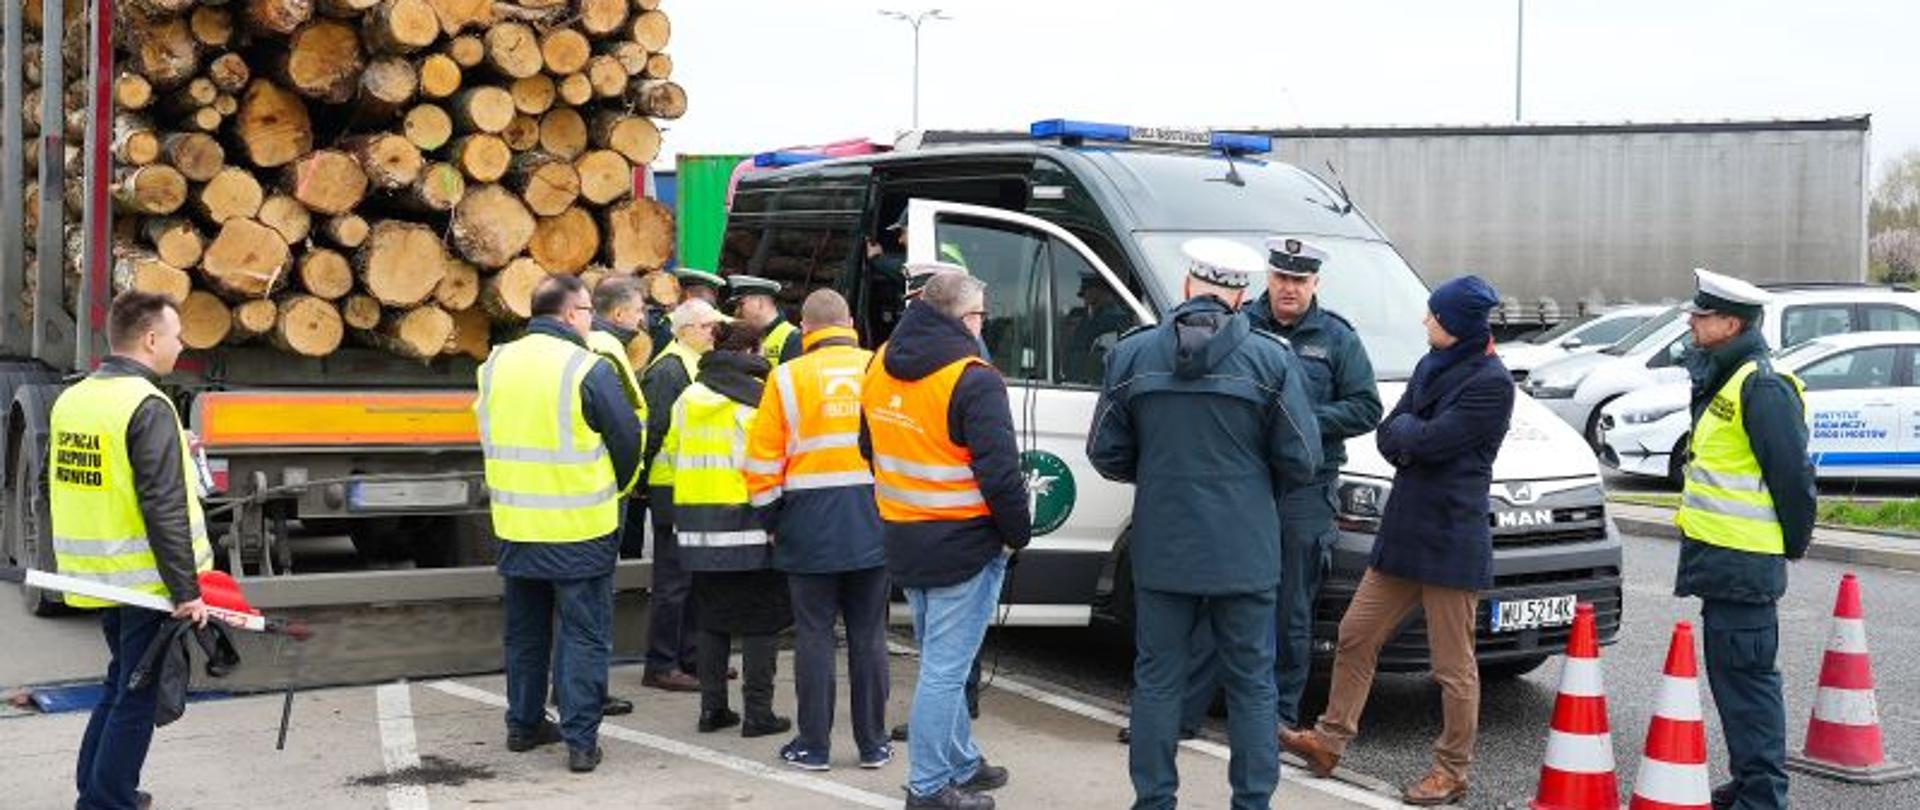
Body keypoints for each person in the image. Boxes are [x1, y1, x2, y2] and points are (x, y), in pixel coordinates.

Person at [1088, 238, 1322, 810]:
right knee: (1252, 684)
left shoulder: (1133, 354)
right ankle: (1251, 803)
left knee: (1158, 681)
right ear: (1242, 295)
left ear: (1189, 286)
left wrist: (1160, 471)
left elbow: (1104, 451)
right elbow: (1303, 459)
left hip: (1164, 545)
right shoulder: (1270, 359)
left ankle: (1154, 801)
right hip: (1245, 549)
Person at [1282, 275, 1514, 806]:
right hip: (1405, 532)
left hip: (1451, 539)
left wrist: (1413, 437)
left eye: (1434, 314)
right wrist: (1414, 438)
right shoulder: (1431, 363)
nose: (1425, 321)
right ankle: (1329, 740)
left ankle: (1451, 771)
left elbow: (1429, 439)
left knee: (1452, 667)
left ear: (1456, 324)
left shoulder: (1492, 382)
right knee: (1355, 634)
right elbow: (1390, 434)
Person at [862, 271, 1031, 810]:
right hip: (963, 542)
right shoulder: (973, 377)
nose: (983, 323)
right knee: (945, 669)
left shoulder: (881, 360)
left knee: (940, 660)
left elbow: (867, 444)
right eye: (980, 314)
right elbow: (1000, 475)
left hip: (904, 534)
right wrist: (1016, 535)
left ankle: (960, 762)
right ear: (965, 318)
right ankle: (930, 786)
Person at [51, 291, 213, 810]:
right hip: (145, 581)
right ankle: (106, 802)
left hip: (96, 573)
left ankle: (100, 788)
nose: (181, 343)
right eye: (176, 334)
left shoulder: (75, 398)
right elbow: (162, 507)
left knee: (120, 681)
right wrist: (187, 592)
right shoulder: (147, 405)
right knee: (137, 696)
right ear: (149, 339)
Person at [476, 275, 644, 774]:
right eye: (588, 310)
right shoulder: (585, 366)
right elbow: (627, 437)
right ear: (570, 314)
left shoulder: (495, 364)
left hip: (516, 524)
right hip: (579, 526)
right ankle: (580, 740)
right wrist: (615, 489)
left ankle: (523, 725)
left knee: (524, 632)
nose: (591, 319)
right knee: (584, 635)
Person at [1674, 269, 1812, 810]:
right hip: (1723, 562)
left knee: (1749, 689)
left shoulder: (1761, 385)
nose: (1691, 321)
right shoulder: (1724, 379)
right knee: (1735, 686)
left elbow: (1793, 479)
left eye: (1701, 316)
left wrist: (1790, 546)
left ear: (1730, 324)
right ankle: (1751, 786)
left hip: (1745, 564)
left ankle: (1763, 798)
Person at [744, 289, 894, 772]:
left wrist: (772, 521)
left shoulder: (786, 377)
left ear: (804, 330)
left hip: (807, 524)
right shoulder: (877, 368)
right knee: (870, 635)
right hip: (875, 520)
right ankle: (874, 745)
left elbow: (760, 462)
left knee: (814, 636)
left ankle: (813, 746)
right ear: (849, 322)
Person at [1244, 237, 1382, 729]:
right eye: (1281, 277)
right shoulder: (1241, 326)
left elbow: (1366, 406)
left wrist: (1298, 418)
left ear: (1315, 283)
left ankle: (1279, 714)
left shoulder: (1337, 337)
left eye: (1299, 281)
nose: (1289, 288)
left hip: (1305, 487)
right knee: (1226, 593)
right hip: (1246, 485)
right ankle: (1219, 703)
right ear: (1268, 277)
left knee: (1291, 606)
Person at [665, 320, 793, 738]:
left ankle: (712, 709)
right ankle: (758, 714)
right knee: (761, 621)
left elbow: (671, 453)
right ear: (754, 350)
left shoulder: (689, 396)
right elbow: (772, 465)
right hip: (750, 526)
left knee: (712, 621)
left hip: (698, 529)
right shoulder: (758, 401)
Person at [639, 298, 731, 693]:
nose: (716, 333)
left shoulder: (690, 365)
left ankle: (692, 659)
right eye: (710, 326)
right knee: (673, 583)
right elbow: (653, 431)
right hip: (669, 487)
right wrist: (644, 480)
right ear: (687, 330)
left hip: (689, 487)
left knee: (692, 578)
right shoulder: (669, 370)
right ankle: (662, 663)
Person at [576, 276, 650, 718]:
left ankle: (575, 687)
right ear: (619, 313)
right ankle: (590, 691)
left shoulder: (594, 344)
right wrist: (626, 479)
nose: (643, 319)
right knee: (594, 598)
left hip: (587, 486)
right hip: (605, 489)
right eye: (639, 311)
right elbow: (622, 426)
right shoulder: (605, 349)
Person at [727, 274, 803, 366]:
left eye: (741, 305)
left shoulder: (793, 339)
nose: (737, 312)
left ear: (759, 302)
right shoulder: (742, 334)